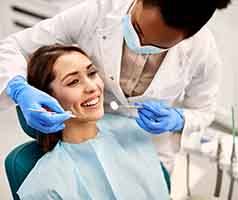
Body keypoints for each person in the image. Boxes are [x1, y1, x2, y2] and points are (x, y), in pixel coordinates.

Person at [0, 0, 231, 172]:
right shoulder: (99, 12)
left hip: (148, 154)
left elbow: (204, 110)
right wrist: (18, 88)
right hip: (86, 146)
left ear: (186, 38)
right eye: (138, 31)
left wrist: (181, 119)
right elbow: (12, 47)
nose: (140, 44)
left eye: (157, 46)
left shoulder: (202, 50)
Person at [16, 44, 170, 200]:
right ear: (47, 100)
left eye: (92, 73)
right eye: (73, 82)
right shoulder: (46, 187)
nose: (92, 87)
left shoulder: (132, 131)